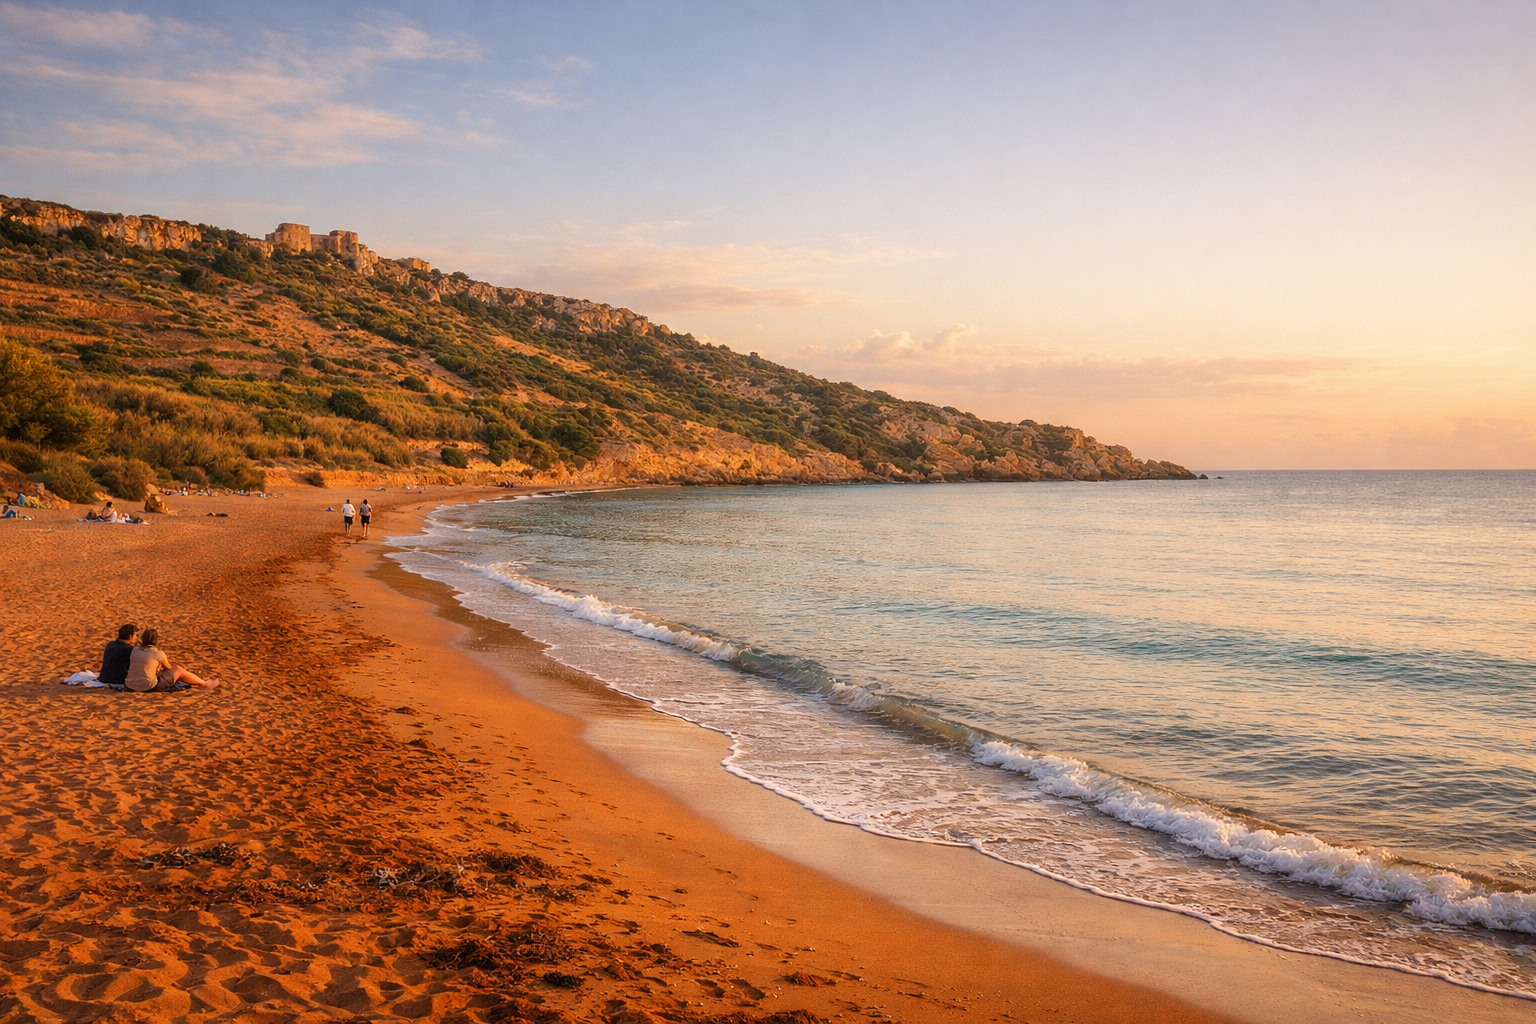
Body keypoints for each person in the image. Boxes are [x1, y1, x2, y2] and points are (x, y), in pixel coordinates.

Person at [125, 628, 219, 692]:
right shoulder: (158, 653)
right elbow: (168, 668)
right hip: (148, 687)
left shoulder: (135, 650)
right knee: (178, 669)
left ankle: (201, 682)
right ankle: (204, 683)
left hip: (129, 685)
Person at [99, 623, 137, 690]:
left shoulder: (110, 644)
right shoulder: (128, 649)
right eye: (135, 635)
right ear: (130, 636)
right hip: (117, 680)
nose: (136, 637)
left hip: (103, 677)